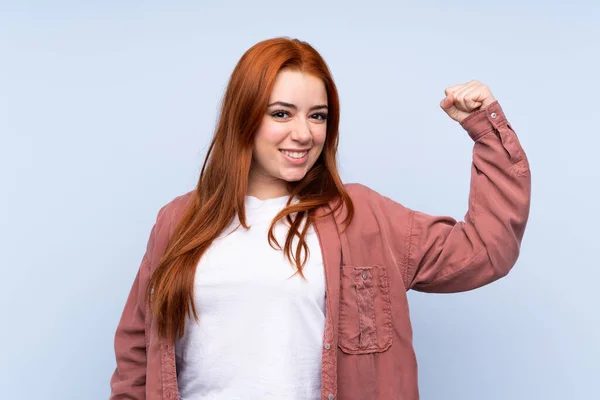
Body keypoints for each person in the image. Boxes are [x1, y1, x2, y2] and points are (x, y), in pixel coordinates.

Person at [109, 37, 531, 400]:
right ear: (244, 117)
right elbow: (136, 354)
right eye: (281, 113)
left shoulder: (363, 217)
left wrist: (485, 128)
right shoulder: (179, 221)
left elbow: (485, 251)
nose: (304, 133)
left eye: (317, 115)